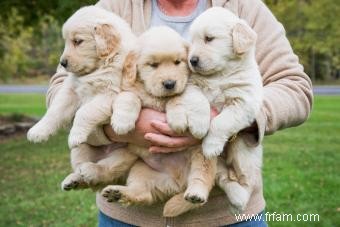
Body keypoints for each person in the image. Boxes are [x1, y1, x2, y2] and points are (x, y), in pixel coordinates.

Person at [47, 0, 313, 226]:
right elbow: (61, 87)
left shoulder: (244, 7)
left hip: (228, 216)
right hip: (128, 216)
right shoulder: (115, 6)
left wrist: (231, 119)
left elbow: (294, 86)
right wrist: (115, 127)